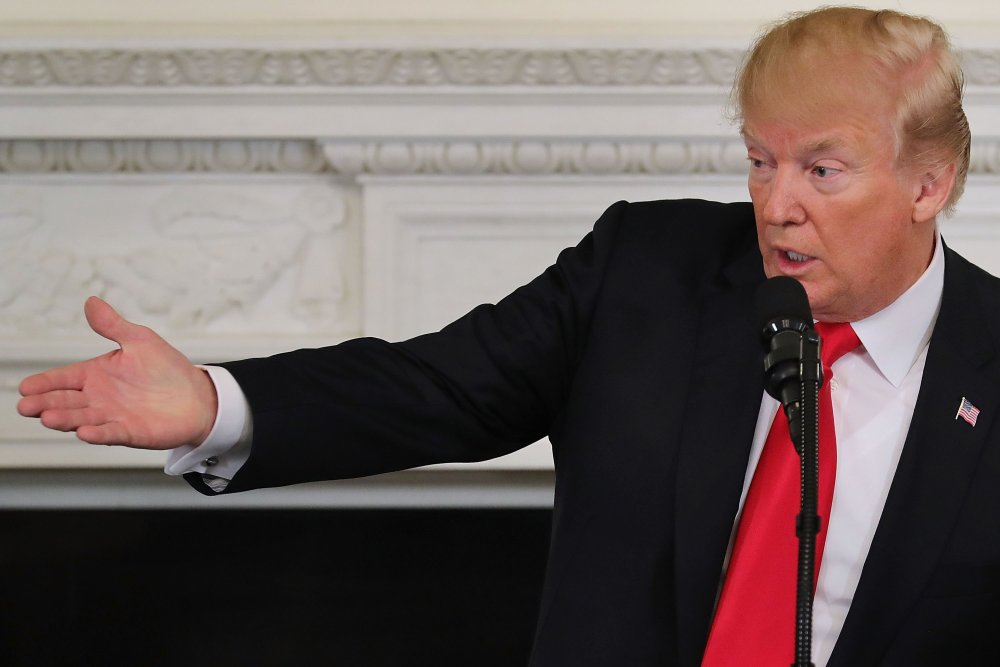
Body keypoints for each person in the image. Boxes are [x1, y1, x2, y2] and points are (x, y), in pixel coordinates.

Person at [16, 6, 997, 666]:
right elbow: (433, 386)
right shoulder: (643, 273)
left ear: (928, 183)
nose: (775, 206)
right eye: (758, 160)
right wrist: (217, 403)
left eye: (821, 171)